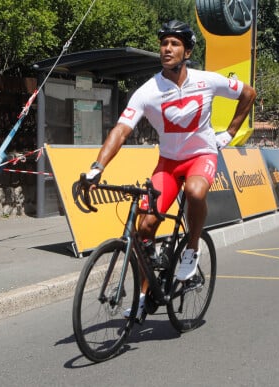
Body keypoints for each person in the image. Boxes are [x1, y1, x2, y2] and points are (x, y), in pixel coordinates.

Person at [85, 20, 257, 317]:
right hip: (167, 163)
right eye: (164, 43)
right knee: (145, 227)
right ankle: (142, 297)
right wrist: (97, 167)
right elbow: (121, 130)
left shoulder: (207, 80)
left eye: (175, 43)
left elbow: (249, 94)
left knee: (194, 189)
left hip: (201, 155)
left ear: (187, 51)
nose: (167, 48)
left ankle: (191, 248)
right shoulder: (147, 91)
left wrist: (228, 134)